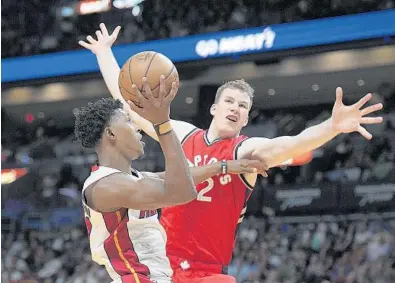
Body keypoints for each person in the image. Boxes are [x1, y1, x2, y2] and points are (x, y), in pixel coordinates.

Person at [79, 24, 384, 283]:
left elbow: (287, 145)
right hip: (163, 267)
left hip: (207, 272)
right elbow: (130, 104)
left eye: (243, 106)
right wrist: (104, 53)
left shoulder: (245, 150)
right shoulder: (183, 134)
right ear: (214, 108)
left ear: (247, 119)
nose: (235, 108)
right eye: (230, 101)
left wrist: (332, 126)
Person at [74, 77, 267, 283]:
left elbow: (176, 177)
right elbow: (181, 191)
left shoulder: (132, 179)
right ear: (111, 133)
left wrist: (224, 166)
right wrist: (162, 124)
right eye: (129, 122)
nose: (137, 127)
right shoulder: (107, 186)